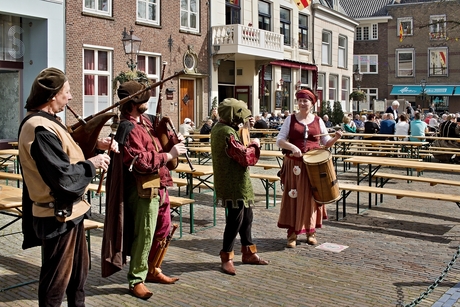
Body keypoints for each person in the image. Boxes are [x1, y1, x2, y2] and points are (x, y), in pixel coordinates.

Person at [18, 67, 116, 307]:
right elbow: (62, 177)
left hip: (70, 212)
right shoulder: (40, 129)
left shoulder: (50, 123)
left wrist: (96, 145)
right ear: (52, 96)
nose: (70, 97)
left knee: (77, 275)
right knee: (56, 283)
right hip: (57, 215)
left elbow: (68, 155)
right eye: (67, 92)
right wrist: (92, 164)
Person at [101, 81, 188, 299]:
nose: (146, 101)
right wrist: (169, 155)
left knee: (163, 229)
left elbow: (159, 147)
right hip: (142, 190)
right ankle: (136, 279)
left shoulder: (147, 123)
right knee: (145, 233)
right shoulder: (127, 128)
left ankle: (152, 268)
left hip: (160, 185)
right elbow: (140, 161)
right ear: (132, 103)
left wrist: (171, 139)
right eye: (142, 99)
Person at [276, 89, 342, 248]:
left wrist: (336, 138)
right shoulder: (290, 119)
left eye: (305, 101)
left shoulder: (318, 121)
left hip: (313, 165)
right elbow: (280, 140)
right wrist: (291, 147)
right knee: (294, 197)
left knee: (312, 198)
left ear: (312, 103)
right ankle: (291, 234)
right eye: (299, 100)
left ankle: (310, 232)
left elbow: (325, 142)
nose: (302, 103)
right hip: (295, 164)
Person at [211, 98, 269, 275]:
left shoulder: (224, 128)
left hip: (239, 181)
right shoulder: (225, 131)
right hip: (231, 182)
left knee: (247, 218)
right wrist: (255, 145)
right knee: (235, 221)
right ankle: (226, 257)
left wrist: (247, 131)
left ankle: (248, 252)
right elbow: (243, 155)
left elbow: (240, 139)